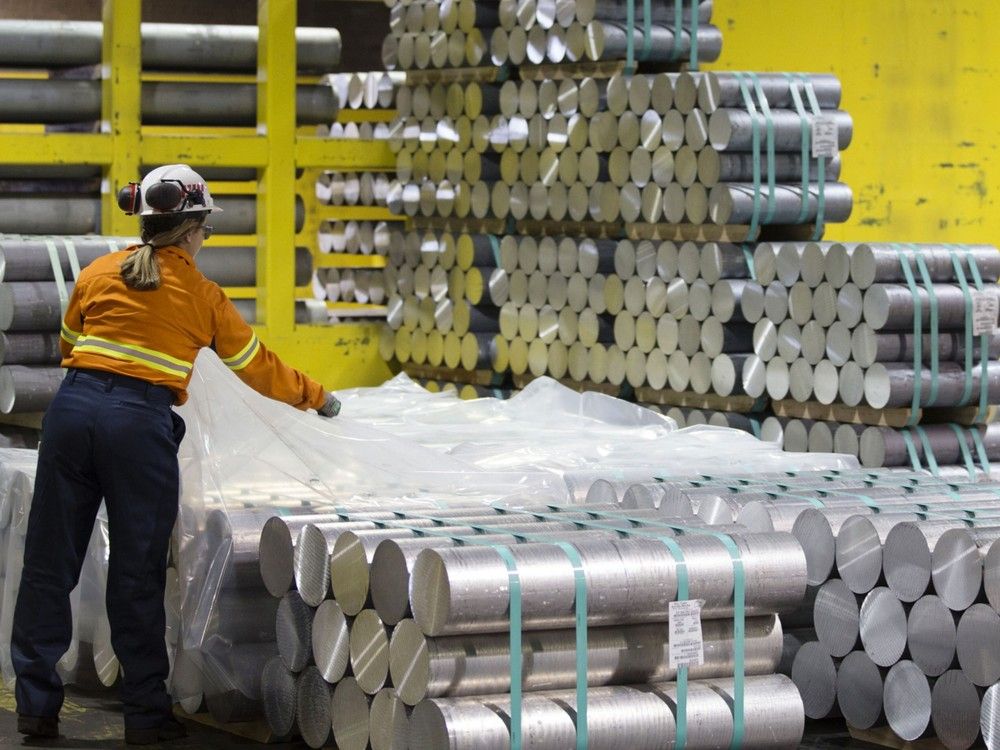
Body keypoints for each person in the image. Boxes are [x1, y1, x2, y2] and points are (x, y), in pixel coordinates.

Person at [10, 164, 341, 745]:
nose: (206, 240)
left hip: (70, 415)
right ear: (190, 230)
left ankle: (36, 711)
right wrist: (318, 398)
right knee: (135, 575)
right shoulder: (202, 296)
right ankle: (144, 716)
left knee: (47, 566)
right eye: (205, 230)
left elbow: (70, 341)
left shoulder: (97, 272)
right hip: (137, 429)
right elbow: (258, 370)